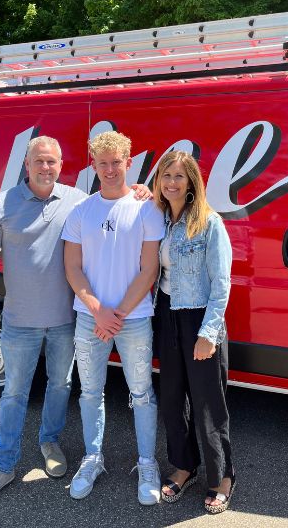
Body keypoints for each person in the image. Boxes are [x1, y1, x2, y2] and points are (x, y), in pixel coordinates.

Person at [0, 137, 86, 511]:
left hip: (65, 320)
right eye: (38, 161)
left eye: (51, 161)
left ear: (61, 163)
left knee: (61, 384)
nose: (45, 168)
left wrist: (142, 191)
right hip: (18, 322)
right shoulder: (2, 203)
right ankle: (3, 467)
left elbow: (117, 207)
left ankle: (49, 442)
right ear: (27, 164)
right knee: (14, 394)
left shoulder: (78, 201)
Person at [62, 131, 165, 504]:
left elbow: (148, 269)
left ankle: (147, 463)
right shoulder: (81, 211)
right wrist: (97, 309)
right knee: (90, 392)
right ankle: (93, 459)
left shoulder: (146, 208)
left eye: (115, 162)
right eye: (102, 163)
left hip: (133, 318)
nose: (109, 169)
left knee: (141, 393)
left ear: (128, 162)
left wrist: (117, 314)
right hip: (90, 318)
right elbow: (72, 267)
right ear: (93, 164)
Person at [150, 151, 237, 513]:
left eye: (179, 176)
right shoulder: (158, 219)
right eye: (166, 175)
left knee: (207, 402)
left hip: (200, 317)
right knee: (171, 399)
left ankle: (223, 476)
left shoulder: (209, 222)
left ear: (191, 183)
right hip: (166, 314)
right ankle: (184, 465)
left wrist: (209, 333)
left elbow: (222, 282)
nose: (172, 182)